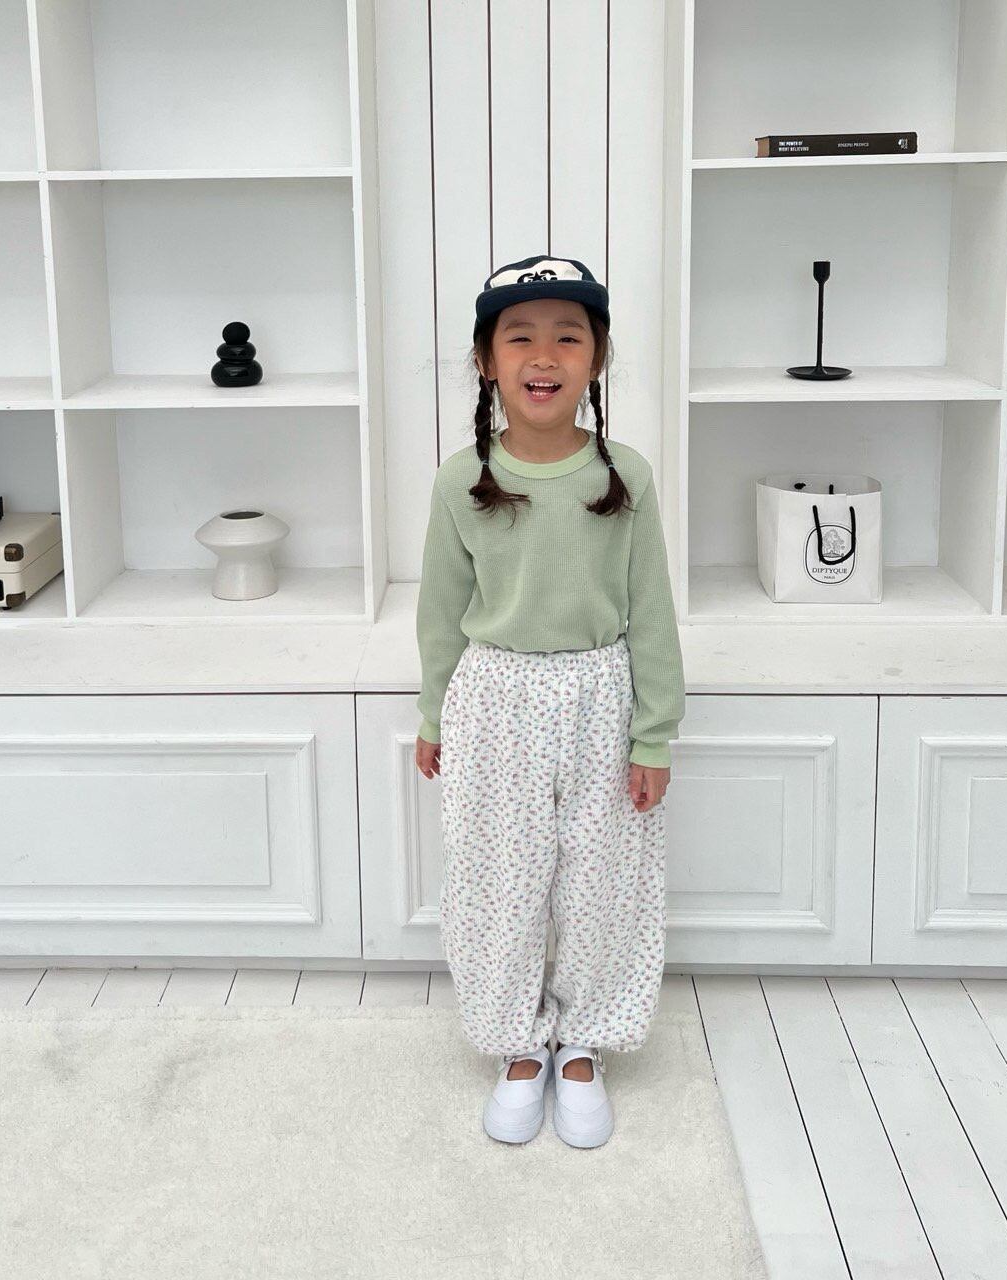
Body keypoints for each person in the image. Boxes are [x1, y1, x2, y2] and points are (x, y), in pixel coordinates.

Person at [414, 254, 686, 1148]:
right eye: (520, 337)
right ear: (486, 360)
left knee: (605, 879)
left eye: (568, 337)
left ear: (596, 358)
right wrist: (432, 715)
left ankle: (585, 1043)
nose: (544, 355)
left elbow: (652, 611)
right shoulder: (461, 480)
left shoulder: (625, 476)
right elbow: (440, 613)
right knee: (498, 881)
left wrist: (654, 735)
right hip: (494, 699)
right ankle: (519, 1045)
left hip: (602, 696)